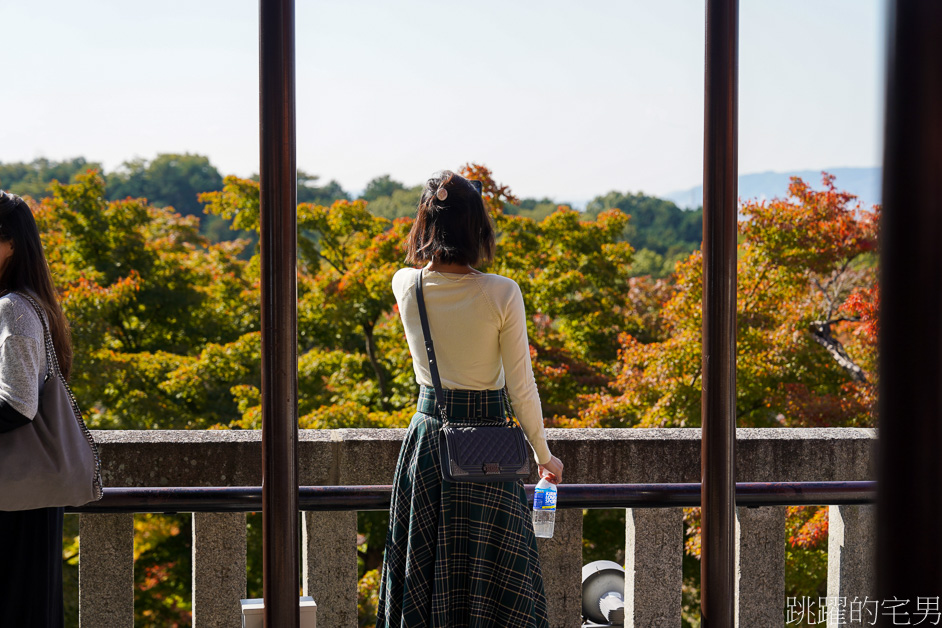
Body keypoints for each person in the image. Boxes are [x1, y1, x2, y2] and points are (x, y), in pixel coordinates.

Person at [377, 171, 564, 628]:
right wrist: (544, 454)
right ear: (476, 227)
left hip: (428, 442)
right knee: (497, 582)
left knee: (425, 574)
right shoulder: (501, 292)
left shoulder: (406, 283)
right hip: (487, 450)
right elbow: (520, 386)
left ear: (425, 224)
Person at [0, 191, 72, 628]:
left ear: (9, 242)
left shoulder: (13, 307)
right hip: (28, 491)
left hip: (13, 499)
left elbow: (17, 404)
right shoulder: (33, 303)